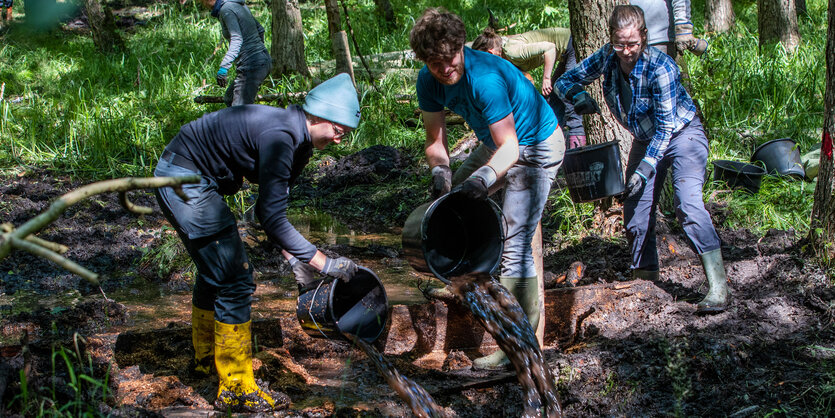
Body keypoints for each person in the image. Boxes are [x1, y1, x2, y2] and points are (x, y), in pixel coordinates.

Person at [154, 73, 362, 412]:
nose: (340, 140)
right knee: (235, 281)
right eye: (339, 131)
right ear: (320, 115)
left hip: (186, 178)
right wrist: (323, 263)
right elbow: (271, 220)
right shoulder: (281, 136)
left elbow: (272, 213)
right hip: (184, 180)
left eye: (346, 135)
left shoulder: (299, 143)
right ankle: (236, 386)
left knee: (215, 274)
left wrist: (297, 261)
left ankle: (206, 359)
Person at [410, 8, 565, 368]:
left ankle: (517, 346)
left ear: (461, 47)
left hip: (537, 144)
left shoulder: (486, 78)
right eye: (435, 64)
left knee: (515, 244)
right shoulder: (427, 81)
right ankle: (466, 268)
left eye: (450, 60)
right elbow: (435, 140)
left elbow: (511, 147)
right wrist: (440, 172)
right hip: (498, 143)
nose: (445, 69)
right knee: (453, 202)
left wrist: (486, 178)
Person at [555, 5, 729, 314]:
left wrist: (644, 170)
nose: (626, 51)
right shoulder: (608, 56)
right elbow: (564, 81)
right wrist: (578, 96)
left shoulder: (661, 67)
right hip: (647, 138)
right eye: (620, 43)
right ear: (611, 39)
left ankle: (718, 288)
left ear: (644, 37)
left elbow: (665, 130)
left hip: (682, 135)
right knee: (635, 212)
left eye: (632, 44)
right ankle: (644, 283)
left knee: (687, 205)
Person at [471, 27, 586, 149]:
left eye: (481, 59)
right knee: (552, 101)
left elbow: (550, 48)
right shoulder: (504, 60)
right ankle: (554, 144)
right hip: (564, 53)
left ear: (490, 53)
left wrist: (546, 79)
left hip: (570, 45)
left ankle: (578, 148)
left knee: (568, 96)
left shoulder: (512, 51)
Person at [201, 0, 271, 107]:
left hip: (252, 65)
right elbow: (260, 29)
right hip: (263, 60)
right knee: (230, 98)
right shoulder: (238, 5)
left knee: (238, 112)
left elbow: (237, 38)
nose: (203, 4)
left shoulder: (226, 10)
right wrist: (259, 53)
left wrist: (224, 68)